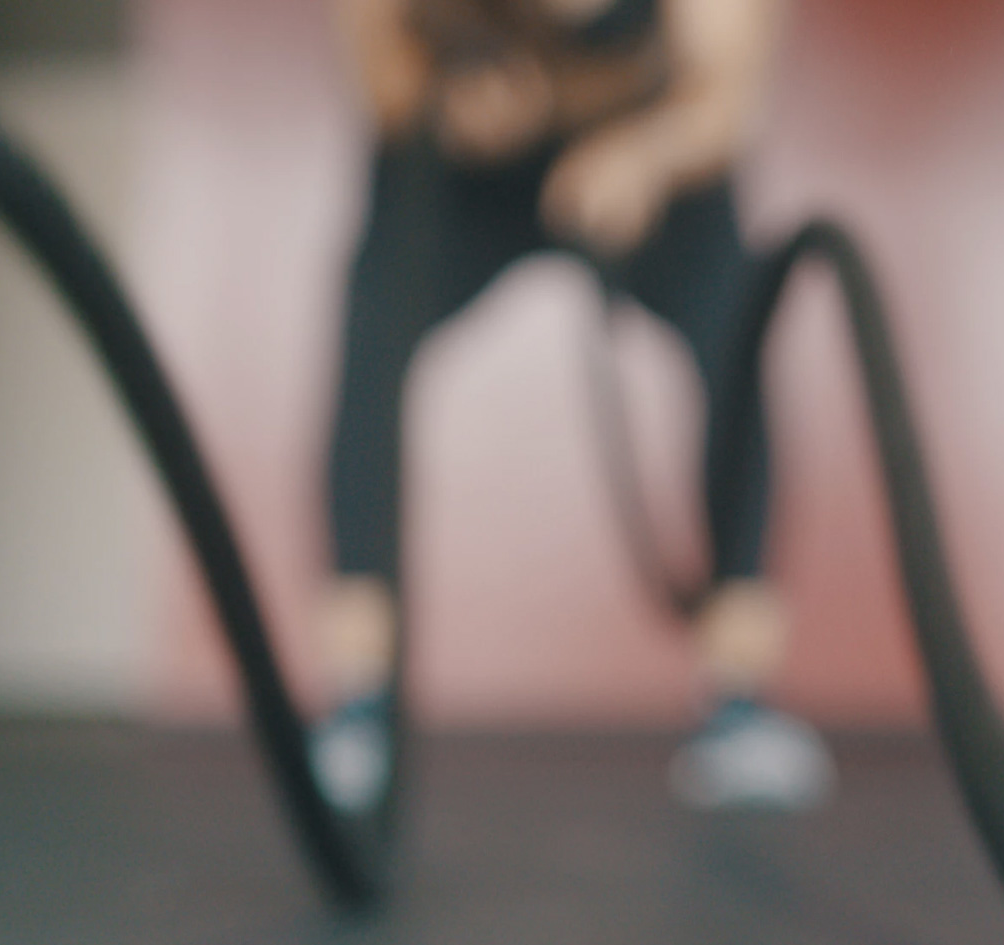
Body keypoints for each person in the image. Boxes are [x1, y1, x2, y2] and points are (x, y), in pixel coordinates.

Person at [312, 0, 832, 812]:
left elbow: (727, 106)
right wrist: (451, 108)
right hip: (462, 166)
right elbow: (383, 82)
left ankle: (739, 706)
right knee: (370, 329)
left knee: (738, 342)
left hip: (655, 154)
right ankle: (359, 702)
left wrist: (644, 156)